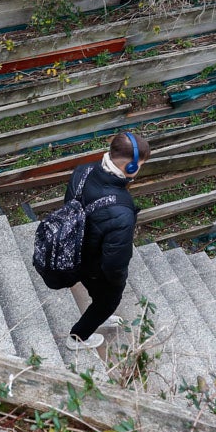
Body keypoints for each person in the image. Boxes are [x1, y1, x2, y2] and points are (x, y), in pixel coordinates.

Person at [65, 131, 149, 350]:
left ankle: (98, 311)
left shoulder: (83, 170)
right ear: (131, 167)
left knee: (96, 294)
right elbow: (114, 264)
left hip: (75, 250)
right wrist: (117, 284)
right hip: (93, 263)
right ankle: (77, 338)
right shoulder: (121, 211)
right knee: (108, 301)